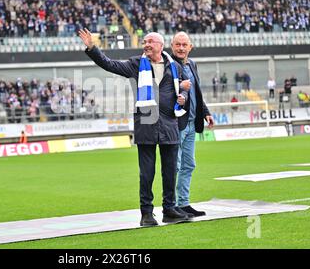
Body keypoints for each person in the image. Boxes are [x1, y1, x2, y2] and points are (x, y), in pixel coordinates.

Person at [78, 28, 192, 226]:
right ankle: (146, 213)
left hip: (169, 125)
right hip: (146, 125)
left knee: (170, 170)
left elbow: (181, 93)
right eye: (144, 42)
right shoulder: (136, 64)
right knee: (146, 173)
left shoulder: (175, 67)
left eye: (150, 42)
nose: (146, 45)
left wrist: (183, 97)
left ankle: (169, 209)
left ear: (160, 45)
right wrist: (92, 48)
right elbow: (109, 64)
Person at [170, 31, 214, 217]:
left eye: (184, 45)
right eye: (177, 45)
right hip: (175, 123)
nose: (181, 48)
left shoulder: (192, 64)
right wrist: (180, 87)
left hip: (191, 123)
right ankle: (171, 205)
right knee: (175, 165)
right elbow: (165, 92)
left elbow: (197, 93)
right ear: (172, 46)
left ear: (190, 47)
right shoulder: (168, 65)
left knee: (189, 165)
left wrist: (205, 112)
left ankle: (184, 203)